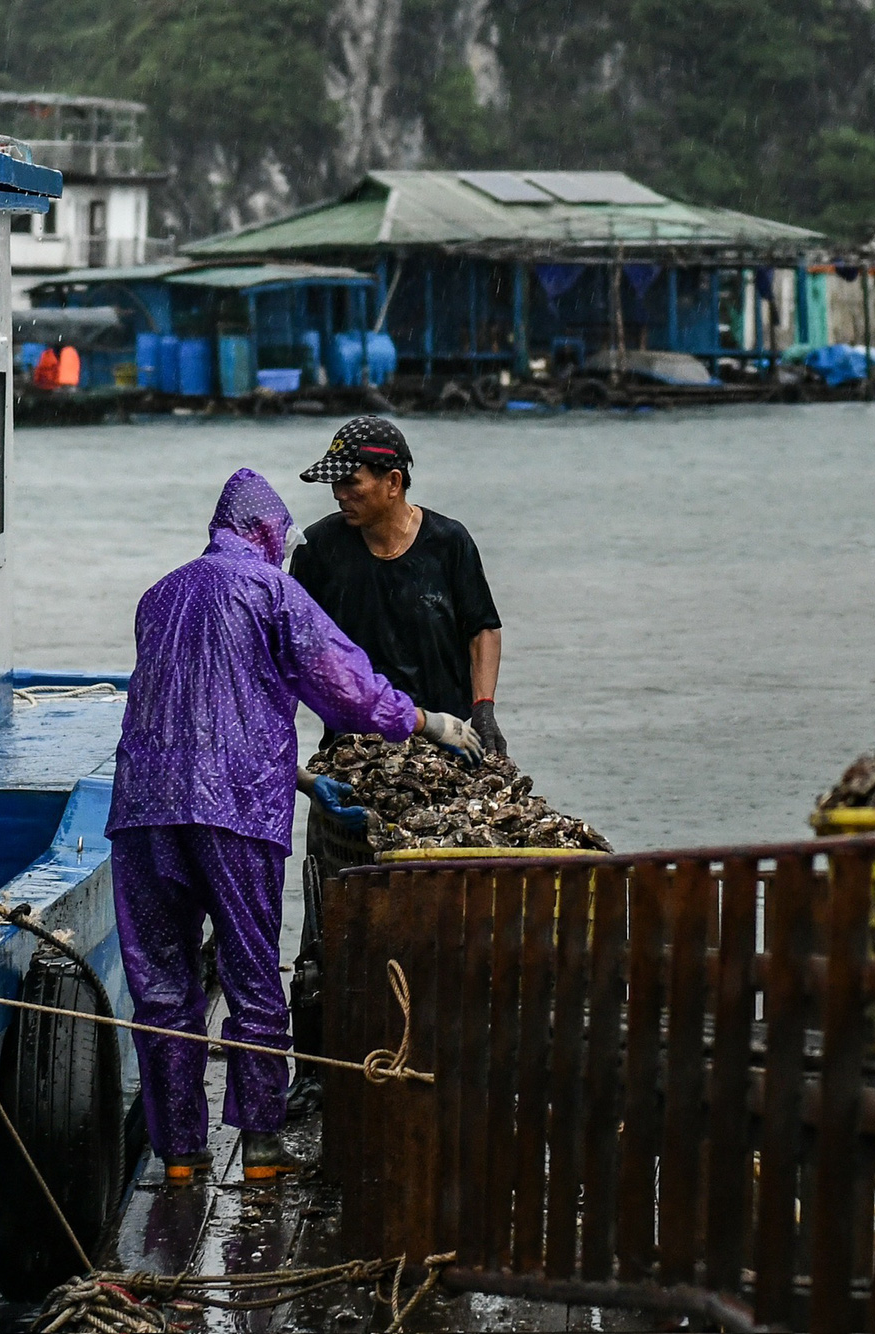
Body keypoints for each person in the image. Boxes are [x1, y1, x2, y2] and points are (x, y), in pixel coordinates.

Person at [106, 468, 481, 1183]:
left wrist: (306, 779)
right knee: (251, 973)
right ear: (266, 533)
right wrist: (425, 720)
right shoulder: (271, 590)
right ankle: (262, 1148)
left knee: (160, 983)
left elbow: (197, 705)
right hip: (235, 809)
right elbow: (343, 685)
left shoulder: (158, 596)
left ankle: (179, 1154)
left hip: (145, 808)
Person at [290, 416, 507, 756]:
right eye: (334, 483)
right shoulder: (317, 548)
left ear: (393, 482)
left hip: (445, 739)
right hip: (352, 745)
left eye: (350, 482)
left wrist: (483, 709)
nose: (338, 494)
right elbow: (291, 646)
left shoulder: (448, 543)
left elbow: (482, 630)